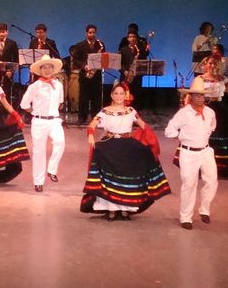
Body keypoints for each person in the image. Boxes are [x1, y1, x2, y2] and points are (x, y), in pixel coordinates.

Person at [81, 83, 171, 220]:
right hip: (109, 146)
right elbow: (91, 126)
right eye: (116, 93)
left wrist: (150, 141)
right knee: (109, 179)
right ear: (111, 95)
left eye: (121, 93)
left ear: (126, 95)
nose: (118, 96)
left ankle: (125, 209)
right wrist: (91, 136)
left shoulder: (131, 111)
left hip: (127, 146)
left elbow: (143, 126)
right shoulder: (104, 111)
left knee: (127, 178)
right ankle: (110, 209)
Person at [165, 77, 218, 230]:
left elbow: (212, 127)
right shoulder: (183, 113)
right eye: (196, 95)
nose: (200, 98)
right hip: (188, 153)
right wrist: (181, 136)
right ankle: (186, 217)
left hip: (206, 150)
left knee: (212, 181)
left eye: (202, 95)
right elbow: (169, 131)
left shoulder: (210, 112)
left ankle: (204, 209)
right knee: (189, 184)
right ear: (191, 96)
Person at [20, 55, 65, 192]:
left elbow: (60, 102)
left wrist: (53, 110)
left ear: (53, 69)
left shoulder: (58, 85)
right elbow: (24, 104)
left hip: (54, 120)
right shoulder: (35, 86)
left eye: (49, 67)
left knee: (60, 142)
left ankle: (51, 170)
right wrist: (35, 112)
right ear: (40, 70)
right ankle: (38, 181)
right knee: (38, 152)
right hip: (39, 121)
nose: (47, 69)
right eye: (44, 67)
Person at [198, 56, 227, 172]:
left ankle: (220, 166)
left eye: (214, 64)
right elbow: (191, 95)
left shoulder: (222, 79)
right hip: (204, 108)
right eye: (210, 63)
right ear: (205, 65)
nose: (212, 66)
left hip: (220, 109)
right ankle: (201, 166)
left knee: (221, 133)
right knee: (203, 135)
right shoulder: (200, 79)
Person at [73, 24, 106, 125]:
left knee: (97, 98)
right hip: (84, 75)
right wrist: (84, 66)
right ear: (86, 33)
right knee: (84, 97)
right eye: (90, 32)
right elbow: (76, 60)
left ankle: (95, 118)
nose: (92, 34)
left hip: (97, 75)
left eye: (93, 32)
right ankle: (82, 117)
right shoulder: (80, 45)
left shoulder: (100, 45)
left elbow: (104, 58)